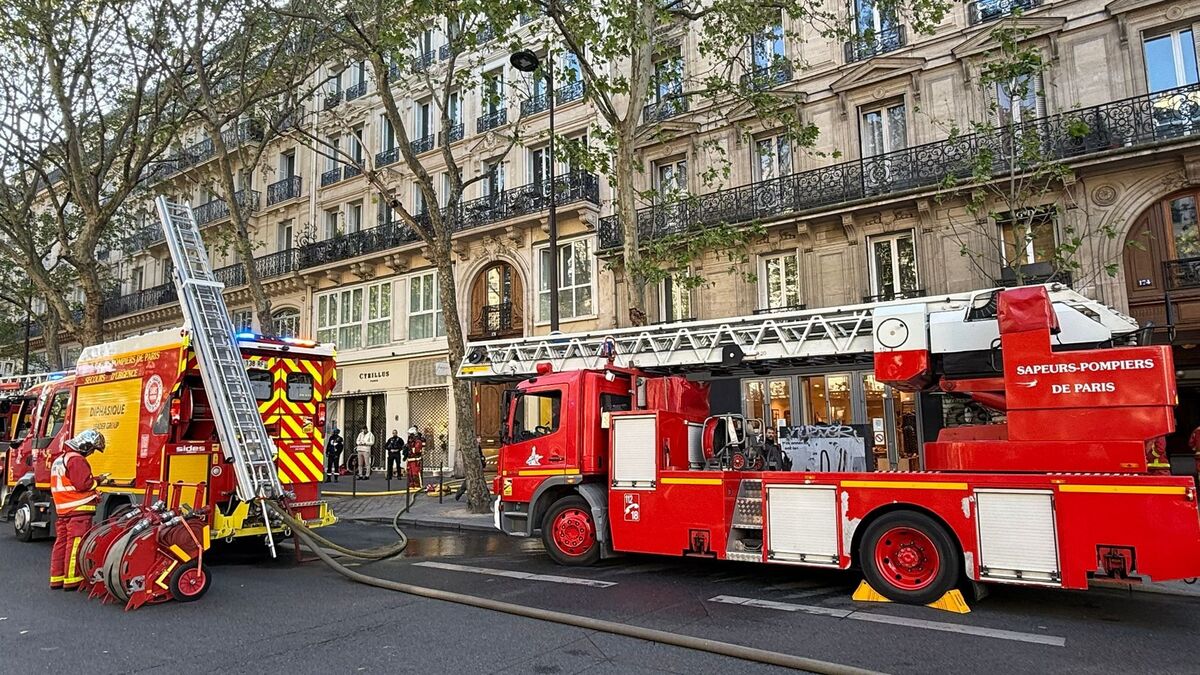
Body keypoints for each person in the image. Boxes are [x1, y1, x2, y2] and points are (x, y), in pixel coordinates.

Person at [50, 429, 108, 590]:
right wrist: (98, 481)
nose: (91, 453)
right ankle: (72, 580)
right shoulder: (76, 460)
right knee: (75, 545)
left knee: (61, 544)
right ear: (86, 446)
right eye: (92, 450)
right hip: (78, 510)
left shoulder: (60, 459)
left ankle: (57, 577)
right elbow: (83, 485)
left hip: (64, 510)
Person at [456, 436, 486, 501]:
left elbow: (480, 455)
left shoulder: (478, 446)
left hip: (477, 466)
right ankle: (460, 492)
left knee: (475, 480)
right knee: (470, 480)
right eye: (479, 438)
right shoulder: (472, 446)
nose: (480, 439)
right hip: (473, 466)